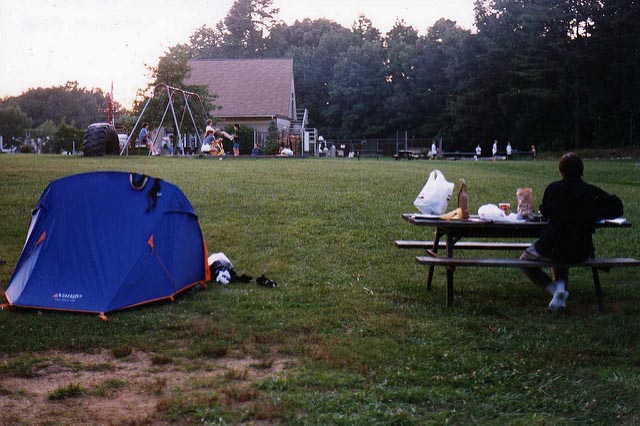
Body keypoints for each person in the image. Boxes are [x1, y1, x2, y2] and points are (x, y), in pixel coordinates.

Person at [520, 152, 623, 311]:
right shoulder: (590, 191)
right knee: (564, 250)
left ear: (561, 171)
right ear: (582, 171)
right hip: (581, 248)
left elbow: (545, 212)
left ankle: (554, 289)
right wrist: (597, 212)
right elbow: (617, 206)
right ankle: (560, 289)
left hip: (552, 245)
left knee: (525, 260)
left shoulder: (553, 189)